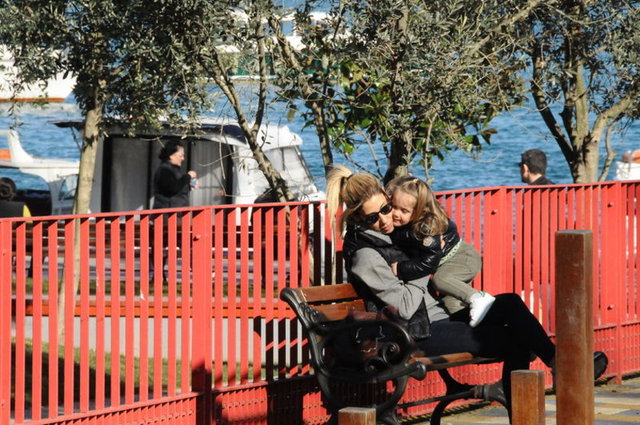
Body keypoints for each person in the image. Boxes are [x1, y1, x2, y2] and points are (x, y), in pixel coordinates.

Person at [325, 165, 607, 413]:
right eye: (373, 218)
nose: (385, 220)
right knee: (517, 339)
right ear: (358, 219)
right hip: (417, 333)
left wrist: (425, 253)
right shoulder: (366, 256)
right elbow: (407, 307)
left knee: (510, 303)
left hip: (437, 319)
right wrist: (421, 266)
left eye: (386, 209)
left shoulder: (390, 236)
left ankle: (557, 363)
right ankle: (536, 387)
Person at [385, 175, 494, 327]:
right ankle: (478, 329)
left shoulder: (426, 228)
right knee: (452, 307)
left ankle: (479, 298)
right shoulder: (403, 225)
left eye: (404, 211)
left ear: (418, 211)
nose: (396, 214)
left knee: (441, 280)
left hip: (462, 258)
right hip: (447, 264)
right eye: (393, 206)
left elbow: (428, 262)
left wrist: (402, 268)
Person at [152, 140, 198, 209]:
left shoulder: (174, 169)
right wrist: (188, 176)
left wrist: (190, 185)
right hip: (168, 212)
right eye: (180, 156)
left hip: (177, 210)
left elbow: (178, 188)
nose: (183, 158)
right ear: (171, 155)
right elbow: (173, 188)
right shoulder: (164, 170)